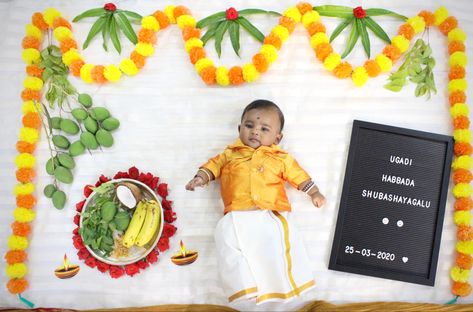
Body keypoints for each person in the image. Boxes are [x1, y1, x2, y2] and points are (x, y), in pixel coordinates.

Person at [186, 99, 325, 304]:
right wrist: (200, 178)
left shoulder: (281, 158)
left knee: (277, 249)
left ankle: (282, 285)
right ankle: (244, 286)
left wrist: (314, 193)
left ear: (277, 137)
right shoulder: (229, 154)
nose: (255, 132)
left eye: (264, 129)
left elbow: (298, 175)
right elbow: (212, 166)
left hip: (270, 213)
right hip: (235, 213)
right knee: (224, 238)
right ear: (239, 128)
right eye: (249, 126)